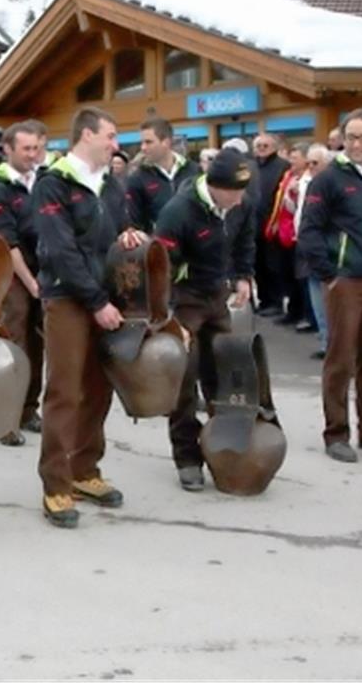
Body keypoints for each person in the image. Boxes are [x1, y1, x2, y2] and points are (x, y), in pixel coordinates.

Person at [34, 106, 137, 528]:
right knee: (65, 392)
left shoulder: (111, 186)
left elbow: (117, 234)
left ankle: (85, 471)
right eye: (110, 136)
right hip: (68, 300)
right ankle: (56, 486)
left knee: (99, 390)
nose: (116, 145)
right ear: (87, 136)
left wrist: (130, 237)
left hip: (106, 301)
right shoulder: (52, 183)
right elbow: (61, 250)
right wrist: (96, 302)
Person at [299, 108, 362, 463]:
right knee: (340, 358)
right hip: (346, 282)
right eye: (351, 136)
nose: (357, 143)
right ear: (343, 138)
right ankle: (336, 433)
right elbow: (308, 231)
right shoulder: (327, 179)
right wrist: (329, 275)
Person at [154, 148, 255, 491]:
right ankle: (186, 457)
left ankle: (222, 448)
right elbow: (160, 268)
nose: (240, 199)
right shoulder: (178, 211)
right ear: (214, 186)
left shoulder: (242, 204)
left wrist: (243, 276)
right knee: (183, 379)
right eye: (234, 192)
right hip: (184, 298)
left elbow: (244, 241)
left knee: (224, 374)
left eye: (244, 191)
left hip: (217, 295)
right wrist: (170, 319)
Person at [0, 122, 44, 446]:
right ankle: (5, 419)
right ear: (8, 149)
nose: (32, 155)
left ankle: (29, 409)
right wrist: (32, 285)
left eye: (36, 148)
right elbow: (9, 245)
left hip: (42, 271)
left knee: (38, 344)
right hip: (11, 275)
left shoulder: (43, 182)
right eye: (26, 149)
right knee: (12, 346)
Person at [124, 118, 198, 233]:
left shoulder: (194, 170)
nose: (143, 147)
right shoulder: (137, 179)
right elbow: (135, 224)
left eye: (148, 142)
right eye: (141, 142)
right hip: (159, 247)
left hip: (195, 246)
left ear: (166, 142)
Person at [266, 142, 309, 329]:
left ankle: (305, 315)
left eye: (296, 156)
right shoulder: (288, 176)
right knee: (287, 273)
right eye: (291, 157)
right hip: (284, 232)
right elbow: (280, 204)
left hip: (298, 233)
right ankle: (292, 311)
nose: (291, 160)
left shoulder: (308, 179)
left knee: (301, 277)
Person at [298, 144, 332, 359]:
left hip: (327, 253)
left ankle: (331, 344)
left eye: (315, 163)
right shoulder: (306, 183)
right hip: (307, 251)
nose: (310, 167)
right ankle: (325, 341)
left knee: (328, 305)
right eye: (308, 163)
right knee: (318, 304)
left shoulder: (331, 185)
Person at [252, 133, 291, 318]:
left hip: (273, 225)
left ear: (274, 147)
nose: (261, 148)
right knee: (257, 265)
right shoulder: (250, 166)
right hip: (253, 224)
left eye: (265, 145)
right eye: (258, 145)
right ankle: (263, 299)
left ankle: (276, 302)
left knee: (273, 265)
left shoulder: (283, 167)